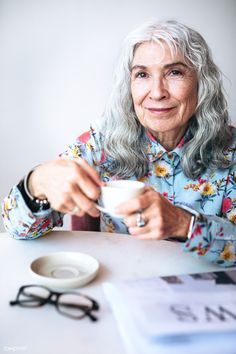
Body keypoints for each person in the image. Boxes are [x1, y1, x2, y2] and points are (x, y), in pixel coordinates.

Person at [2, 20, 236, 267]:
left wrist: (184, 224)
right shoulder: (101, 143)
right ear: (129, 86)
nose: (157, 92)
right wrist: (36, 184)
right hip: (119, 285)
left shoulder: (230, 151)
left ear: (202, 82)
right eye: (142, 74)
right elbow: (17, 230)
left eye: (174, 72)